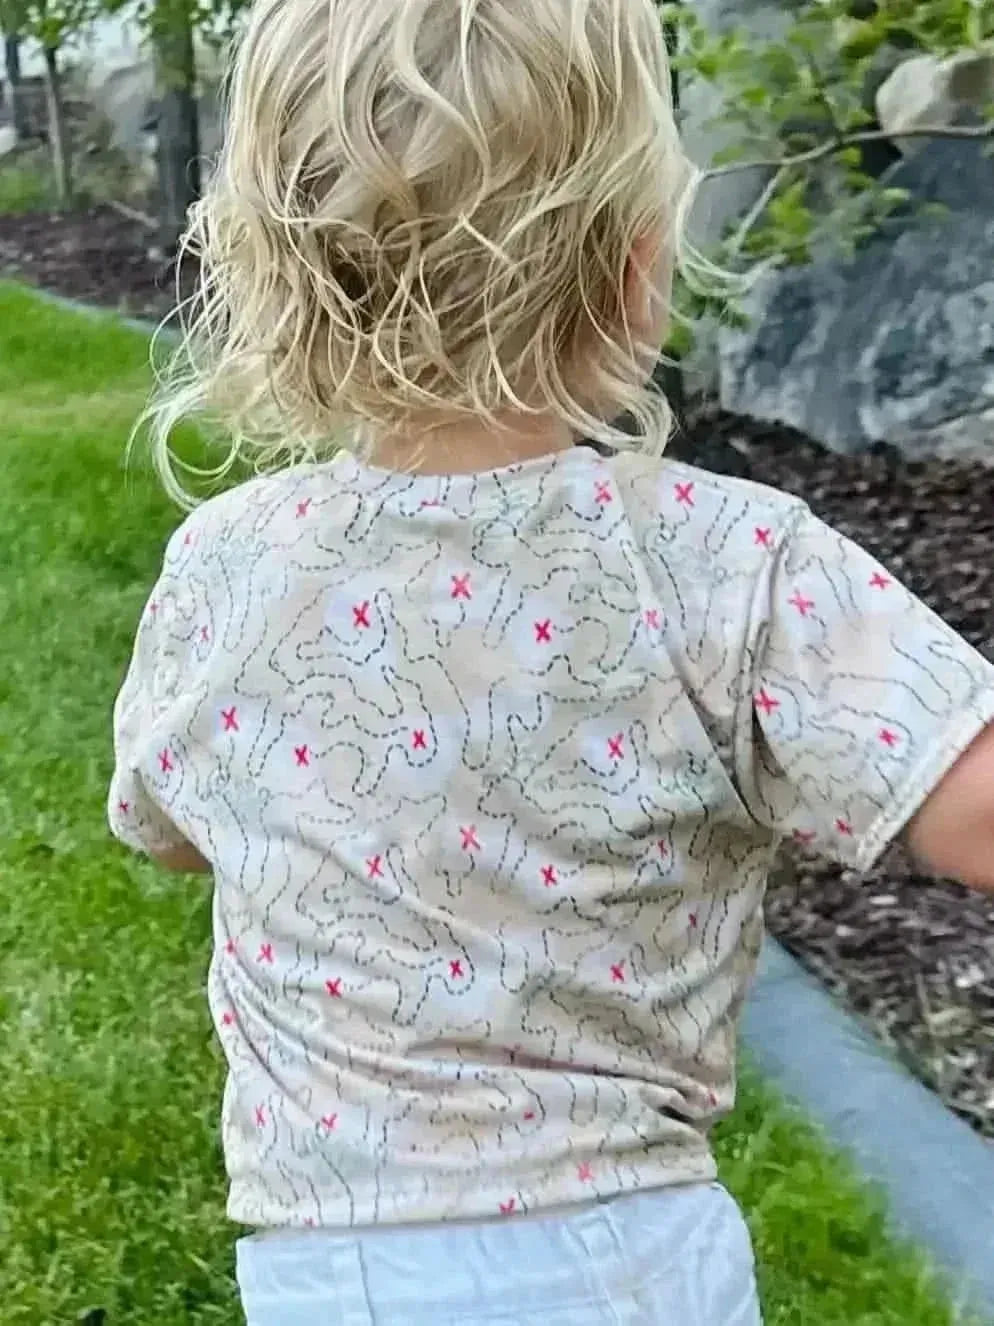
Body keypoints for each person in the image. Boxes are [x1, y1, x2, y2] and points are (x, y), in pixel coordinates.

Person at [107, 1, 994, 1322]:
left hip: (321, 1261)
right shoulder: (728, 561)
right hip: (624, 1257)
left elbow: (172, 828)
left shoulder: (228, 563)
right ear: (641, 267)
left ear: (280, 269)